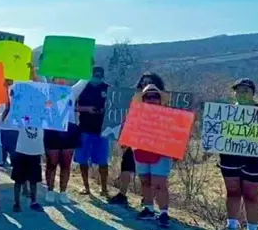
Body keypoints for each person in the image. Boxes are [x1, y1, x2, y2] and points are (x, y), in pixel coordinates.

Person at [219, 78, 258, 230]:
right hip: (230, 157)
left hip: (254, 159)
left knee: (251, 195)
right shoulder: (226, 112)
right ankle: (231, 226)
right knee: (232, 192)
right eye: (238, 91)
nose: (241, 94)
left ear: (253, 93)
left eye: (246, 90)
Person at [109, 72, 166, 206]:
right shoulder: (134, 99)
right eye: (143, 82)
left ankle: (147, 200)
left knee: (148, 174)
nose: (145, 84)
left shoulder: (161, 101)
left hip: (154, 143)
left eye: (149, 82)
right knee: (126, 166)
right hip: (135, 140)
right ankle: (122, 194)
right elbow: (128, 119)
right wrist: (124, 138)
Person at [131, 85, 173, 228]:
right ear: (143, 99)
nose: (152, 99)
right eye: (148, 96)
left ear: (160, 99)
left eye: (155, 96)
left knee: (159, 184)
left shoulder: (169, 114)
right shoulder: (136, 114)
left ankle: (163, 213)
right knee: (145, 181)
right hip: (141, 150)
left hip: (161, 153)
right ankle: (149, 208)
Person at [43, 78, 87, 205]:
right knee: (51, 163)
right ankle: (50, 191)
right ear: (53, 79)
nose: (61, 80)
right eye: (58, 77)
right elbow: (39, 78)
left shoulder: (72, 91)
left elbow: (84, 80)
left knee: (66, 164)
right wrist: (33, 69)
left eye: (64, 77)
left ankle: (63, 192)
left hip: (70, 130)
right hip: (52, 129)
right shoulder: (47, 90)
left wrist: (88, 64)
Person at [74, 66, 111, 196]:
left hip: (103, 131)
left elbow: (115, 108)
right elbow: (72, 106)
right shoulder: (82, 87)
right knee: (83, 160)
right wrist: (87, 109)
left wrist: (103, 111)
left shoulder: (108, 88)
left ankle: (104, 189)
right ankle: (86, 187)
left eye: (100, 76)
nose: (97, 78)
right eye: (95, 75)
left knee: (103, 161)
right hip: (84, 128)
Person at [12, 125, 45, 213]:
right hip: (21, 152)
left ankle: (33, 202)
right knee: (18, 180)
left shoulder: (42, 118)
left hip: (35, 152)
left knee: (33, 181)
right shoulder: (22, 117)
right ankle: (16, 203)